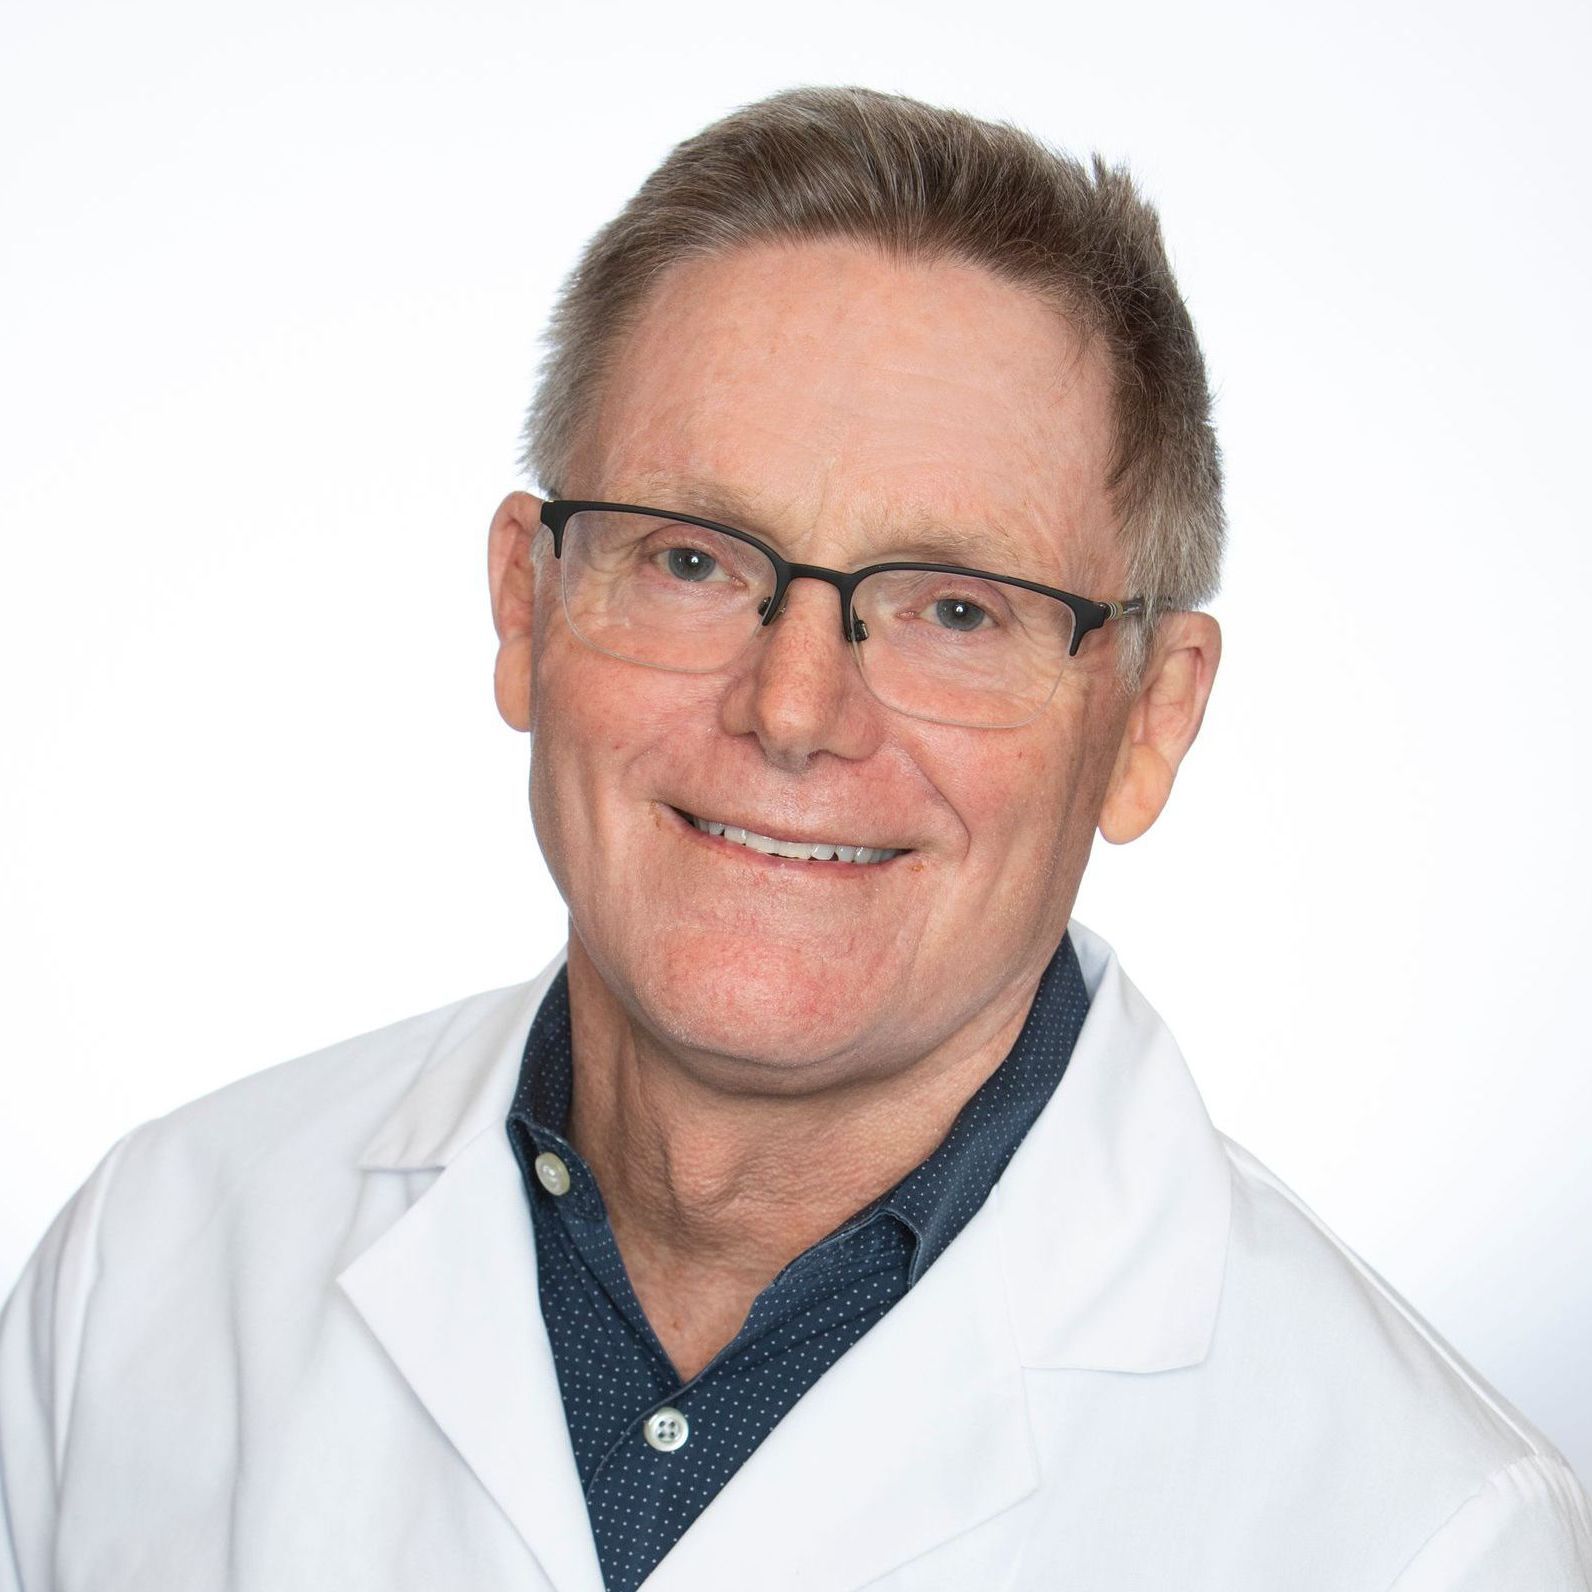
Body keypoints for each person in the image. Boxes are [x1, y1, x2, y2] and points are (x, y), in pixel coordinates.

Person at [2, 84, 1588, 1592]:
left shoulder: (1428, 1537)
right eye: (694, 560)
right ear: (524, 606)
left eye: (957, 607)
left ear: (1151, 717)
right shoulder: (146, 1275)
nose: (793, 706)